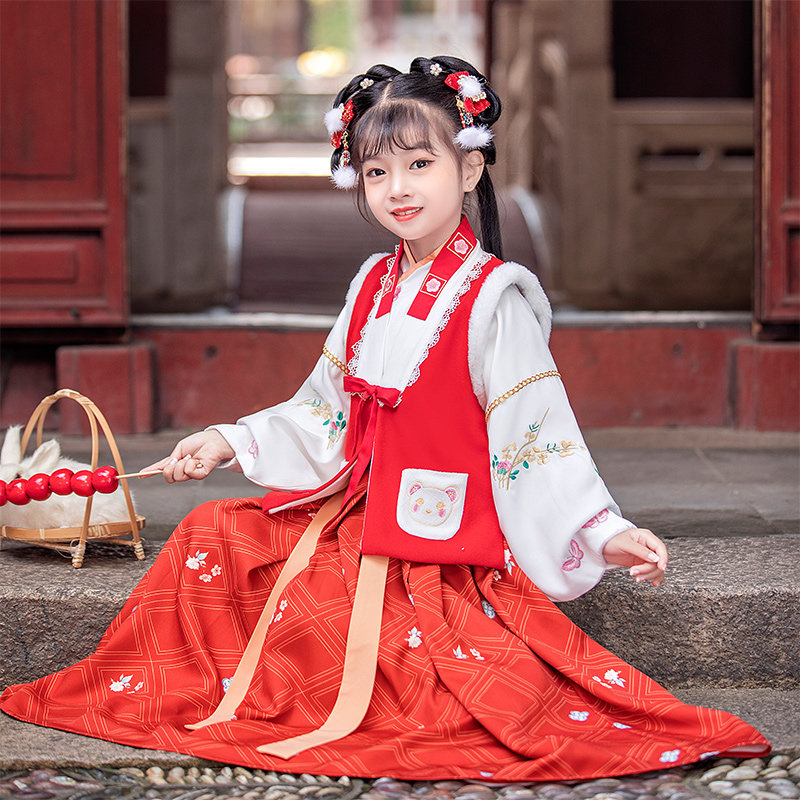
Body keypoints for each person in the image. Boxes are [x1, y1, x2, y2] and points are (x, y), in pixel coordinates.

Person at [0, 56, 769, 780]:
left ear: (470, 168)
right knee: (211, 532)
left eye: (420, 164)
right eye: (376, 172)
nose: (397, 188)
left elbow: (537, 440)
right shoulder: (372, 283)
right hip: (351, 513)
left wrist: (601, 531)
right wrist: (227, 440)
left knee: (400, 655)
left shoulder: (493, 301)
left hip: (436, 542)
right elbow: (323, 411)